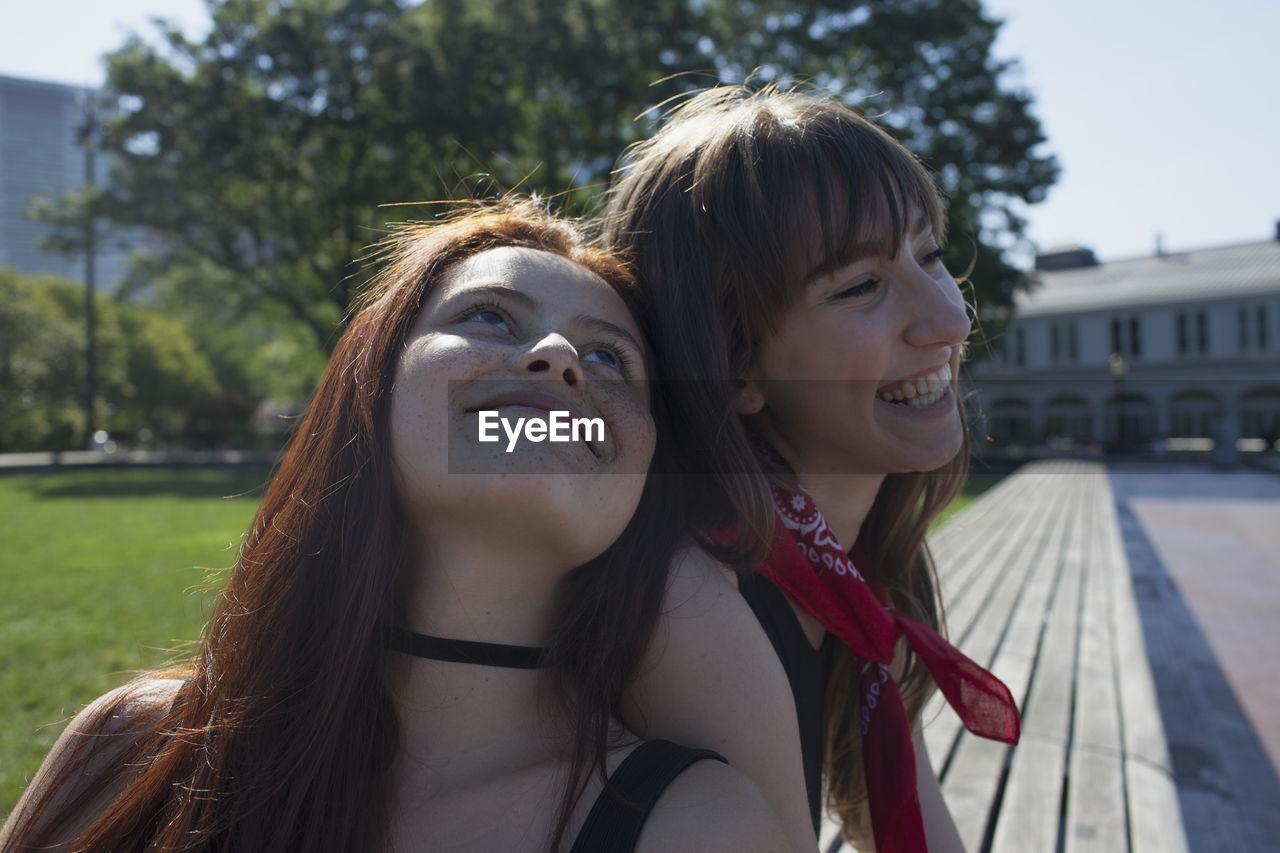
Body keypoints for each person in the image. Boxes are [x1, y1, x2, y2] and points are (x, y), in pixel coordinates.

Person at [1, 200, 792, 853]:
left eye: (611, 359)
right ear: (367, 392)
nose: (557, 356)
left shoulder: (699, 826)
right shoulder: (125, 750)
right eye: (490, 316)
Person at [603, 86, 1021, 853]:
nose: (952, 320)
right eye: (861, 285)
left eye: (929, 256)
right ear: (733, 365)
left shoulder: (853, 574)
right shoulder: (695, 601)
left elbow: (900, 817)